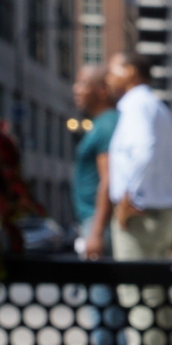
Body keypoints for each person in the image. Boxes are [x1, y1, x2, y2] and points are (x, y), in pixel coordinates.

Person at [103, 51, 172, 259]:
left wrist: (125, 201)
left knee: (135, 288)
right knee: (154, 287)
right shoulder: (156, 106)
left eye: (112, 71)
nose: (108, 79)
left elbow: (143, 151)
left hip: (139, 217)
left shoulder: (136, 105)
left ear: (130, 72)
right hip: (162, 213)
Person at [72, 65, 119, 259]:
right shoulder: (102, 123)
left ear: (102, 90)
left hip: (100, 222)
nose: (76, 89)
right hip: (96, 221)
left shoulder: (107, 124)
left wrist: (96, 232)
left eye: (83, 83)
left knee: (98, 288)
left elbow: (108, 179)